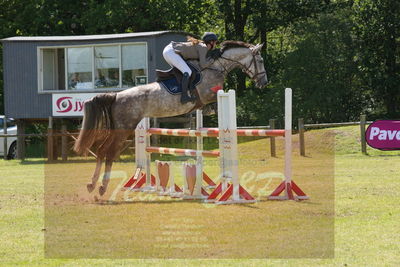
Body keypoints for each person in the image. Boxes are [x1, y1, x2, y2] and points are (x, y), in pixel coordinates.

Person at [163, 32, 220, 104]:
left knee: (185, 72)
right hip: (171, 51)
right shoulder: (203, 47)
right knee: (188, 72)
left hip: (170, 51)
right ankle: (184, 97)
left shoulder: (202, 46)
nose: (215, 45)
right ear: (211, 42)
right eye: (215, 42)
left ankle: (181, 92)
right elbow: (203, 65)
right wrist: (213, 60)